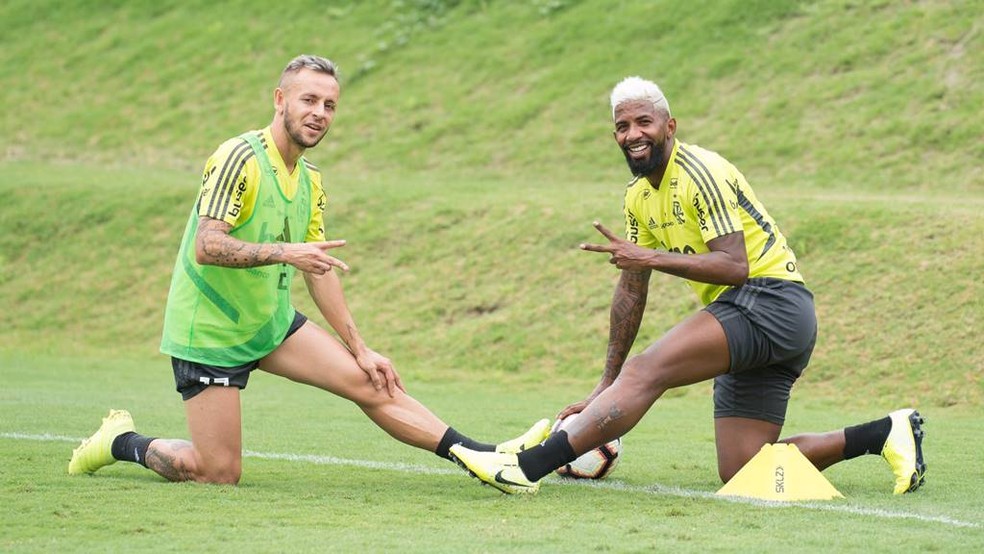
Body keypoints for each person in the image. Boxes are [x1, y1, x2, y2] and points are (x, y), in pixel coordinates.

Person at [68, 54, 549, 484]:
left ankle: (484, 456)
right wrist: (284, 252)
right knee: (217, 473)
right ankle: (120, 442)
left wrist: (361, 348)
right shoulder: (239, 157)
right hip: (210, 334)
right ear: (280, 100)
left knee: (370, 380)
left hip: (269, 324)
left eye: (329, 105)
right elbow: (207, 244)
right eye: (308, 100)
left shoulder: (311, 179)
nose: (319, 113)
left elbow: (318, 268)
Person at [450, 76, 926, 495]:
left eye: (643, 122)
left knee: (647, 371)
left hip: (771, 300)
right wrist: (606, 381)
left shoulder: (702, 171)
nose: (633, 134)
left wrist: (648, 259)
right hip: (750, 320)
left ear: (669, 126)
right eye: (622, 127)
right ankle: (884, 433)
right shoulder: (637, 197)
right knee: (742, 470)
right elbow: (632, 290)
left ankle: (523, 469)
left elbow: (735, 266)